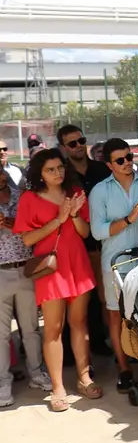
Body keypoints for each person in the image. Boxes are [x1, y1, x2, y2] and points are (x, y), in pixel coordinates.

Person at [13, 149, 102, 411]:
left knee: (80, 323)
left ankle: (84, 378)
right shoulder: (30, 198)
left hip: (77, 265)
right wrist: (58, 220)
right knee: (53, 329)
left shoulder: (74, 192)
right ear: (39, 173)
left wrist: (73, 215)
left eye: (60, 167)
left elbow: (85, 232)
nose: (58, 172)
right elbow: (28, 239)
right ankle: (58, 386)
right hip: (51, 270)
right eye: (50, 169)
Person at [89, 138, 138, 394]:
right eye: (120, 160)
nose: (127, 163)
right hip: (115, 264)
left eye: (129, 157)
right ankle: (123, 368)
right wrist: (129, 219)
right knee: (116, 314)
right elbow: (98, 231)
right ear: (109, 164)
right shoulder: (100, 191)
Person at [57, 125, 113, 360]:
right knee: (78, 298)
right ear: (63, 148)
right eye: (72, 143)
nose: (78, 146)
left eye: (81, 140)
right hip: (76, 244)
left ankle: (101, 342)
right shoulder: (62, 175)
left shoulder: (102, 169)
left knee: (105, 297)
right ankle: (72, 351)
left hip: (106, 241)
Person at [0, 168, 52, 407]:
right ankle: (3, 383)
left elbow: (32, 230)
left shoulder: (21, 197)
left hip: (25, 269)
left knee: (31, 328)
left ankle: (36, 373)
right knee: (1, 335)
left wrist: (12, 224)